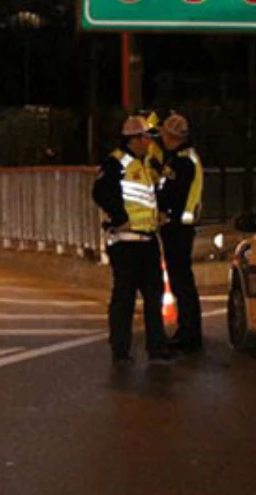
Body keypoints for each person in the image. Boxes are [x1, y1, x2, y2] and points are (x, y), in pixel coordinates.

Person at [92, 115, 175, 366]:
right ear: (135, 139)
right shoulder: (116, 163)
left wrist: (160, 213)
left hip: (147, 239)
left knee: (154, 296)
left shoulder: (145, 164)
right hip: (126, 241)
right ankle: (121, 350)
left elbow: (149, 196)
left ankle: (157, 347)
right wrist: (120, 219)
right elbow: (100, 192)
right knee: (125, 297)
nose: (150, 141)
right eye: (147, 137)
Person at [155, 112, 205, 353]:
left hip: (179, 226)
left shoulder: (183, 160)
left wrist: (168, 214)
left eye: (164, 134)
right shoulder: (179, 157)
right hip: (178, 225)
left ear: (172, 136)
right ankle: (187, 332)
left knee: (182, 282)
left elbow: (178, 192)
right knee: (181, 281)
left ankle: (189, 334)